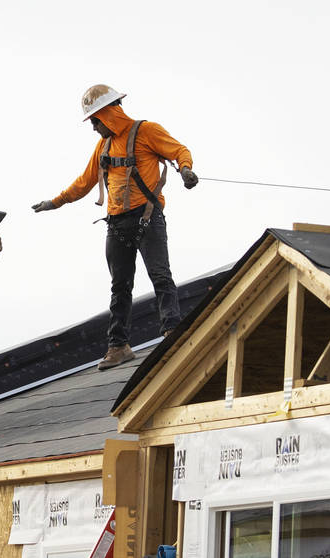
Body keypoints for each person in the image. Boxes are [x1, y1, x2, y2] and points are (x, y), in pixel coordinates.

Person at [33, 84, 198, 370]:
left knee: (160, 276)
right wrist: (55, 202)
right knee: (120, 286)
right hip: (117, 223)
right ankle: (119, 346)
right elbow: (85, 182)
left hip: (147, 217)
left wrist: (185, 169)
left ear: (108, 114)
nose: (94, 127)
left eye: (95, 121)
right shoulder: (103, 146)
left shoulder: (147, 131)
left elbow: (178, 150)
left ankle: (173, 333)